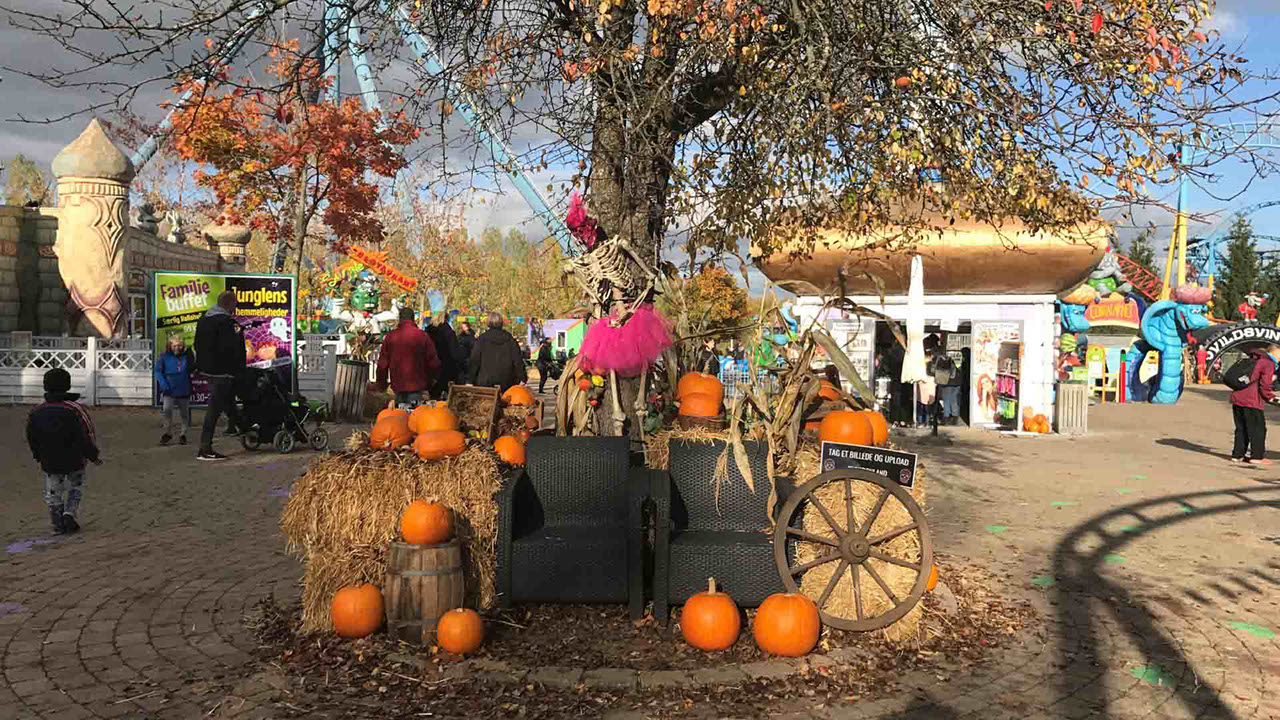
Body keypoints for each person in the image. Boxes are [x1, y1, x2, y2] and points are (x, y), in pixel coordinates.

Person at [27, 368, 101, 533]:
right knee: (76, 486)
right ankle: (69, 514)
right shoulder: (75, 409)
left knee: (53, 491)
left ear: (45, 386)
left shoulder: (36, 411)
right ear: (67, 386)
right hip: (75, 458)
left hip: (49, 459)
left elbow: (31, 436)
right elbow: (87, 433)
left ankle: (57, 520)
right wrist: (93, 454)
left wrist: (37, 455)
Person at [195, 291, 247, 461]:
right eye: (235, 304)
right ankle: (205, 448)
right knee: (215, 408)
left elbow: (197, 344)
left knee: (228, 402)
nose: (236, 307)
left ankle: (246, 430)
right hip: (223, 372)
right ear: (229, 304)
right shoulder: (225, 323)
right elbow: (230, 349)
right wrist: (237, 368)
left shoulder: (204, 320)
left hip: (207, 369)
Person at [377, 306, 442, 407]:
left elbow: (383, 364)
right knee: (415, 417)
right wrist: (431, 380)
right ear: (413, 319)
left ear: (400, 319)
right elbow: (433, 362)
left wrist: (381, 384)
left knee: (399, 417)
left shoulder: (391, 336)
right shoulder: (423, 336)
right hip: (417, 385)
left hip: (398, 385)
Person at [1229, 344, 1280, 466]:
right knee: (1258, 429)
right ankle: (1257, 456)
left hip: (1237, 398)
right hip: (1252, 401)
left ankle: (1237, 455)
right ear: (1274, 353)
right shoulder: (1268, 363)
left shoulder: (1254, 358)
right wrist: (1272, 398)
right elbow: (1265, 385)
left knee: (1241, 429)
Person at [155, 332, 195, 445]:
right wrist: (163, 384)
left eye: (179, 345)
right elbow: (158, 371)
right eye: (174, 346)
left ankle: (183, 434)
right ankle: (167, 433)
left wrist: (190, 355)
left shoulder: (186, 357)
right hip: (169, 390)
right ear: (170, 346)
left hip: (184, 389)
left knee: (184, 414)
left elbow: (192, 368)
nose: (177, 348)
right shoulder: (164, 357)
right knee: (167, 412)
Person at [469, 312, 526, 392]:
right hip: (507, 382)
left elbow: (475, 360)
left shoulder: (482, 339)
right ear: (501, 323)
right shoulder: (509, 339)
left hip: (485, 383)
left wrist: (470, 380)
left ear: (488, 323)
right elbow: (517, 360)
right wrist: (522, 378)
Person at [426, 314, 461, 400]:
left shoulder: (428, 333)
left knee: (432, 398)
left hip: (431, 370)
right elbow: (455, 353)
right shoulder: (449, 333)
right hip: (447, 368)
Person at [933, 349, 960, 425]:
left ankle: (946, 418)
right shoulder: (952, 361)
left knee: (946, 401)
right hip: (957, 383)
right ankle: (955, 418)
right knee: (954, 400)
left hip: (947, 383)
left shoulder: (941, 361)